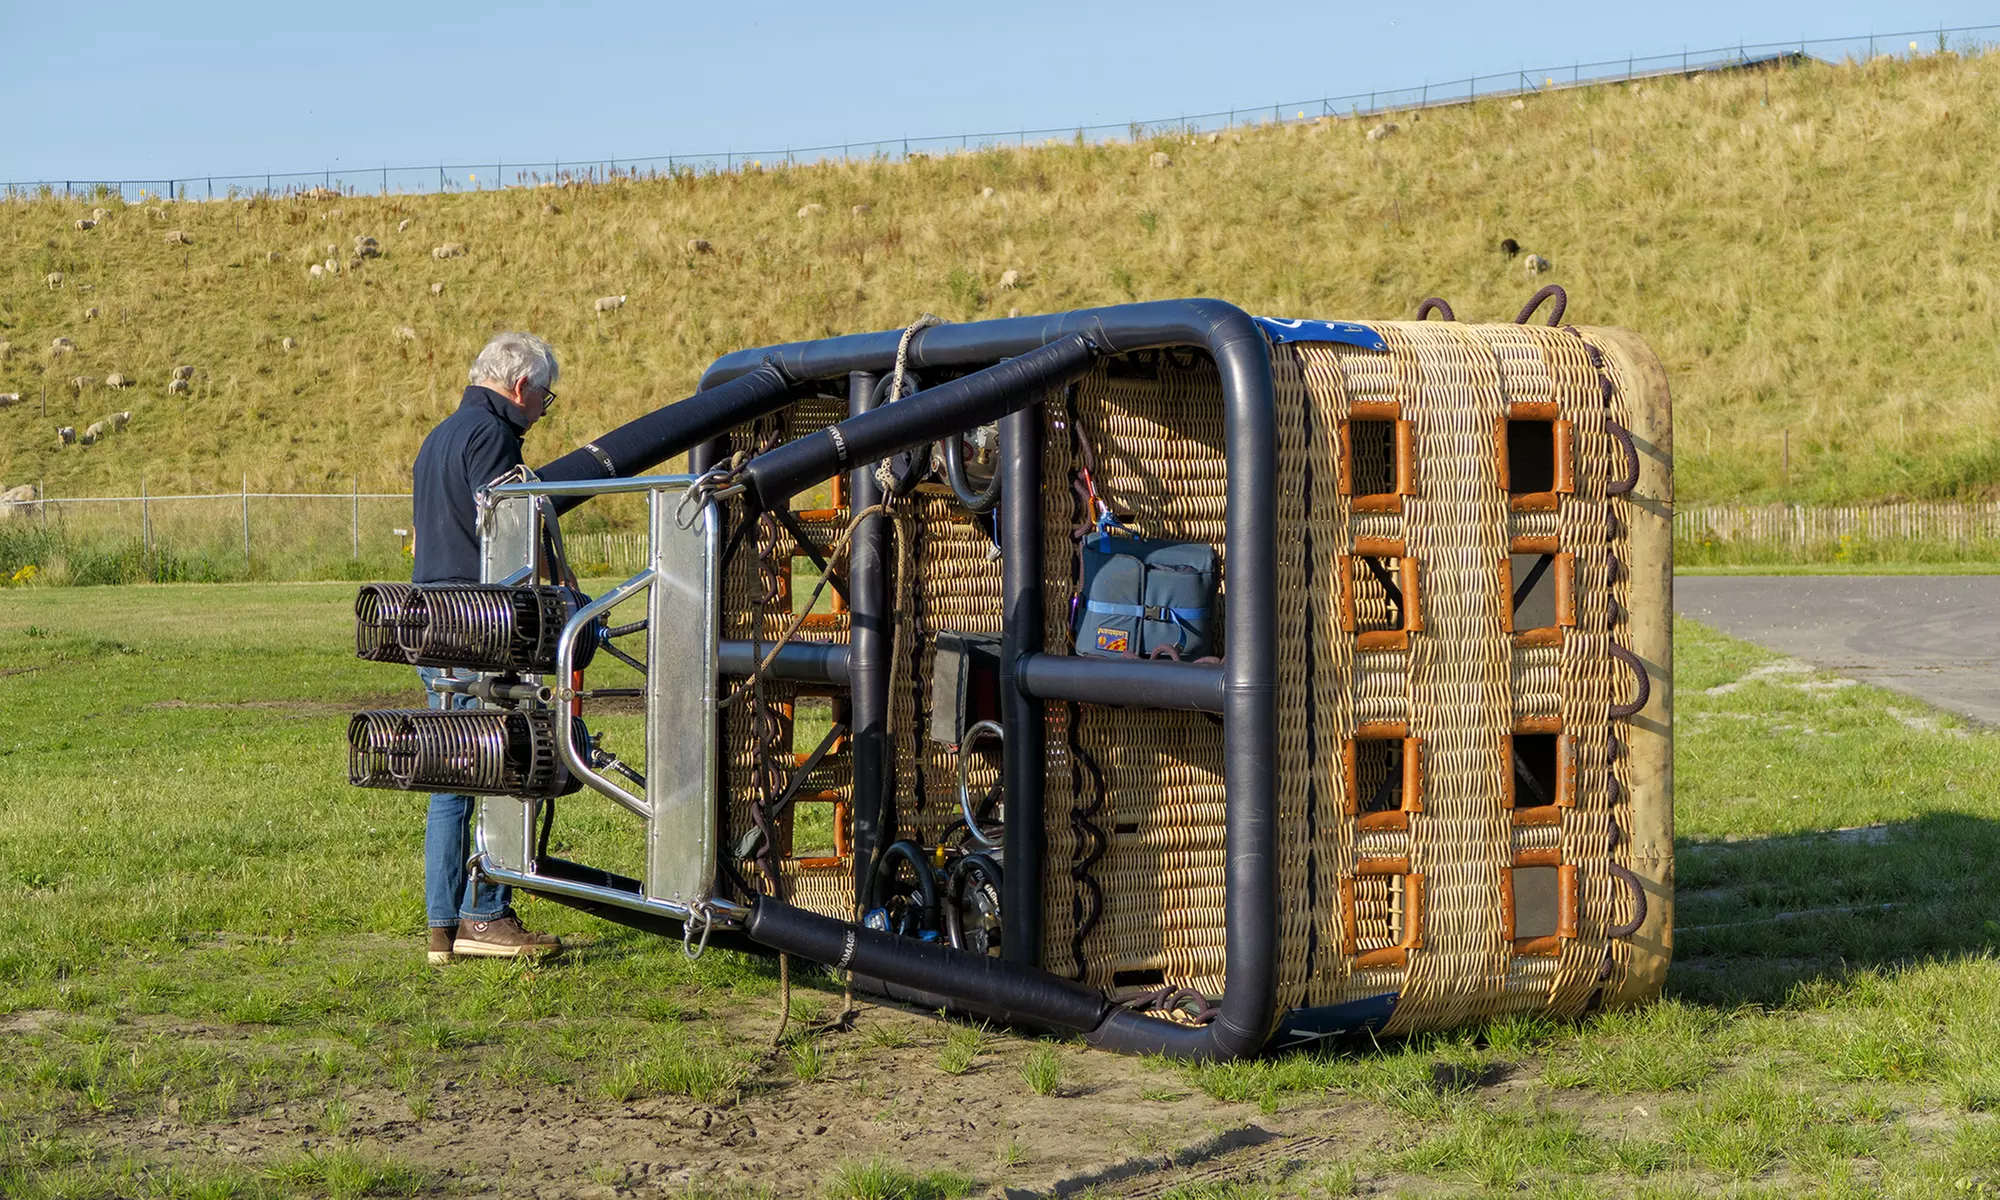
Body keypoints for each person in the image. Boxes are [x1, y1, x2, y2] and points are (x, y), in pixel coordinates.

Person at [411, 331, 566, 965]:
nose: (540, 411)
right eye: (544, 398)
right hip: (476, 622)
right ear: (521, 386)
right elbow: (510, 534)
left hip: (427, 620)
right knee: (500, 763)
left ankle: (442, 928)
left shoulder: (438, 438)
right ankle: (484, 913)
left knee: (452, 772)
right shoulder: (493, 437)